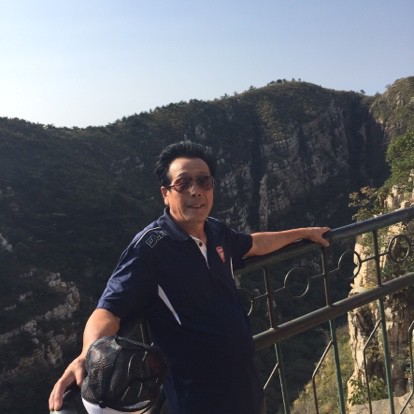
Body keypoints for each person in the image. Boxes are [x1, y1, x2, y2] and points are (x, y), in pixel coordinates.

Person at [49, 141, 330, 414]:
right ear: (166, 193)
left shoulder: (216, 230)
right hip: (198, 398)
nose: (196, 191)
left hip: (247, 386)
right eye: (183, 183)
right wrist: (89, 356)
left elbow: (254, 244)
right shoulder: (149, 249)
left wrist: (305, 233)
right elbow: (108, 311)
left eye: (204, 181)